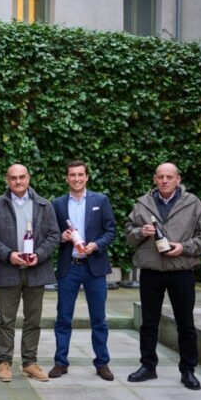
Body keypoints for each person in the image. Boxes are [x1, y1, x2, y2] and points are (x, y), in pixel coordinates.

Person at [125, 162, 201, 390]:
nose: (165, 180)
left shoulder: (193, 203)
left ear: (178, 179)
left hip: (181, 271)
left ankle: (188, 370)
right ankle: (148, 366)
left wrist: (183, 247)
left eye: (169, 177)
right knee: (149, 322)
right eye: (160, 177)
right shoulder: (142, 203)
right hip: (151, 271)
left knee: (185, 323)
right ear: (154, 179)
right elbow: (128, 234)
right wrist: (139, 232)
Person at [0, 164, 60, 382]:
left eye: (22, 177)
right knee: (6, 320)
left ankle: (29, 362)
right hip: (9, 269)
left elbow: (54, 236)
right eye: (13, 178)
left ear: (28, 178)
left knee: (33, 319)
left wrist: (39, 254)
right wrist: (9, 255)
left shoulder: (44, 205)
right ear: (7, 180)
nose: (18, 181)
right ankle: (4, 363)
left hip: (36, 270)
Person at [50, 161, 116, 381]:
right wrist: (62, 237)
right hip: (69, 267)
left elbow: (110, 231)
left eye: (80, 175)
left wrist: (96, 245)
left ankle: (102, 363)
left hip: (94, 267)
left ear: (87, 177)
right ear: (66, 178)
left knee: (99, 319)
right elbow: (51, 235)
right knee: (63, 318)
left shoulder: (100, 200)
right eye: (72, 175)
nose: (77, 178)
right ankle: (61, 362)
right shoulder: (57, 204)